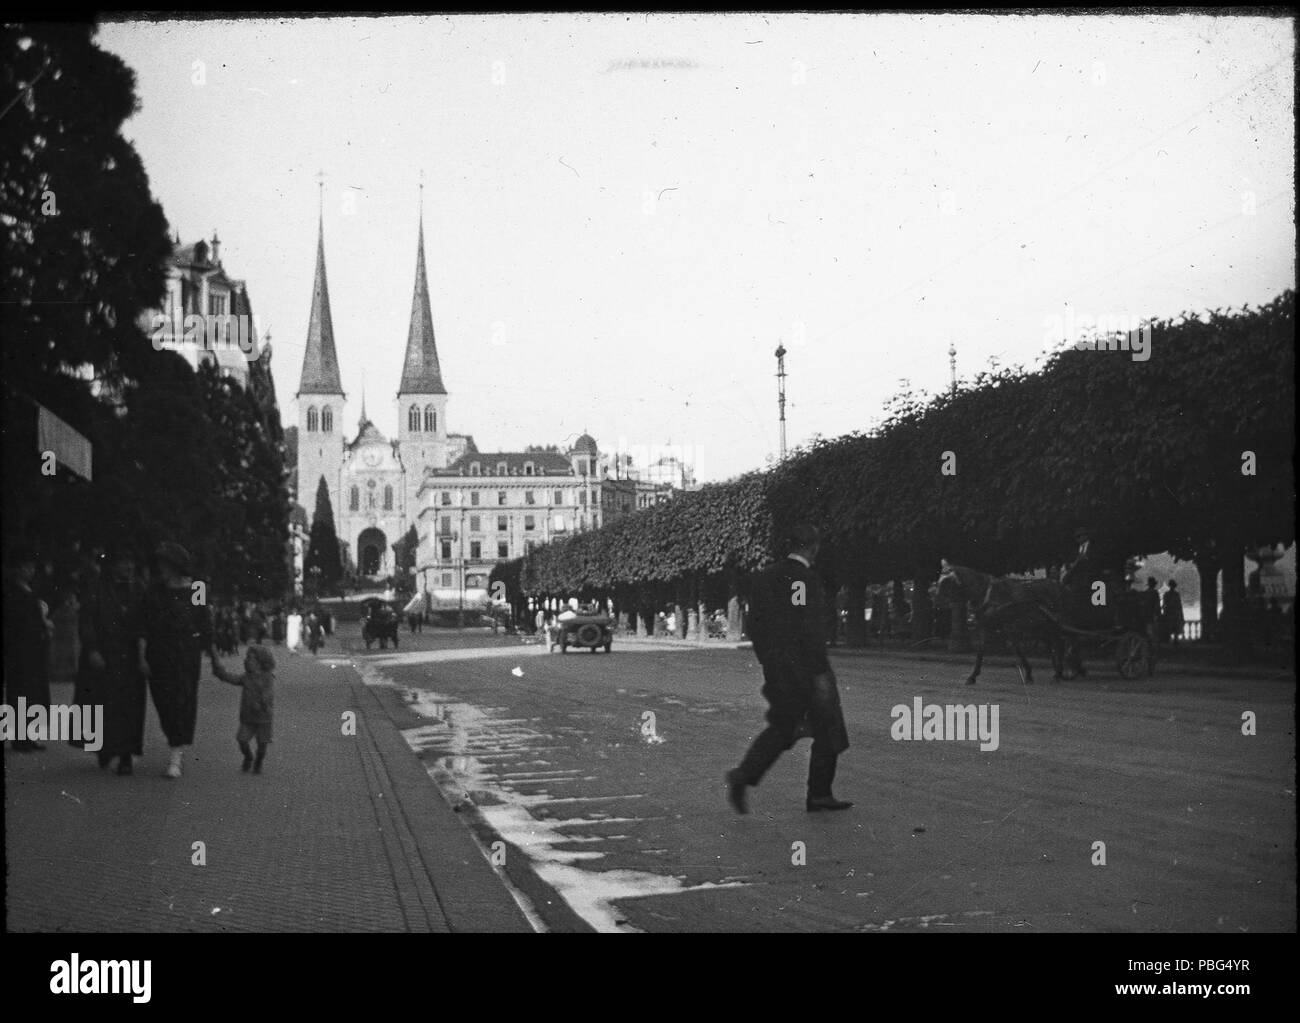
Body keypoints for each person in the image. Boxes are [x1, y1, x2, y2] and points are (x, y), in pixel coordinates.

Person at [726, 524, 851, 814]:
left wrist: (768, 659)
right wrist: (818, 669)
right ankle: (819, 794)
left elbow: (754, 624)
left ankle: (744, 775)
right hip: (808, 667)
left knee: (783, 727)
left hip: (777, 667)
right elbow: (807, 627)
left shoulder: (765, 578)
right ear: (813, 547)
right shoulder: (804, 579)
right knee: (829, 726)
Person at [137, 542, 213, 778]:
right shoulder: (154, 591)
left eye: (165, 564)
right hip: (159, 652)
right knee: (164, 701)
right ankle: (174, 743)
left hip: (186, 653)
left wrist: (214, 656)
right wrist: (141, 656)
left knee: (183, 700)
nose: (162, 568)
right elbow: (143, 625)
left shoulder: (197, 588)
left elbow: (204, 623)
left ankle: (176, 754)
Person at [75, 547, 146, 774]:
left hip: (130, 658)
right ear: (113, 565)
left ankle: (126, 755)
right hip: (104, 655)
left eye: (131, 561)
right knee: (102, 704)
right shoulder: (96, 588)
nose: (129, 566)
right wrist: (92, 649)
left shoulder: (139, 589)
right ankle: (105, 749)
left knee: (129, 707)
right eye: (124, 561)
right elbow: (86, 620)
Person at [4, 547, 53, 751]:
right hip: (19, 649)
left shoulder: (30, 591)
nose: (29, 571)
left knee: (33, 692)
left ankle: (31, 735)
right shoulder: (13, 593)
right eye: (26, 567)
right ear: (17, 569)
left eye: (31, 567)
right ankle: (19, 738)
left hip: (34, 649)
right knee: (20, 692)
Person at [209, 644, 275, 774]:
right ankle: (248, 757)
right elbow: (230, 678)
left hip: (263, 718)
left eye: (250, 658)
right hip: (248, 717)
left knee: (262, 745)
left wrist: (262, 703)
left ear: (260, 663)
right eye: (247, 658)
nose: (246, 661)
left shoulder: (268, 678)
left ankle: (259, 761)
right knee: (242, 740)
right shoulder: (246, 677)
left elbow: (268, 693)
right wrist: (219, 669)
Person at [1161, 580, 1185, 646]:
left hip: (1170, 613)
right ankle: (1175, 640)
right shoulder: (1176, 594)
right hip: (1175, 613)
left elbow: (1164, 605)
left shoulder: (1166, 594)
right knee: (1175, 628)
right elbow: (1179, 606)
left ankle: (1171, 640)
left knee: (1170, 627)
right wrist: (1181, 615)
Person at [1140, 577, 1161, 644]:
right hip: (1152, 615)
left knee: (1148, 631)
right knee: (1153, 632)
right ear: (1154, 585)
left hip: (1145, 615)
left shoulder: (1145, 593)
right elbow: (1157, 605)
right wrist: (1158, 614)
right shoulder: (1155, 593)